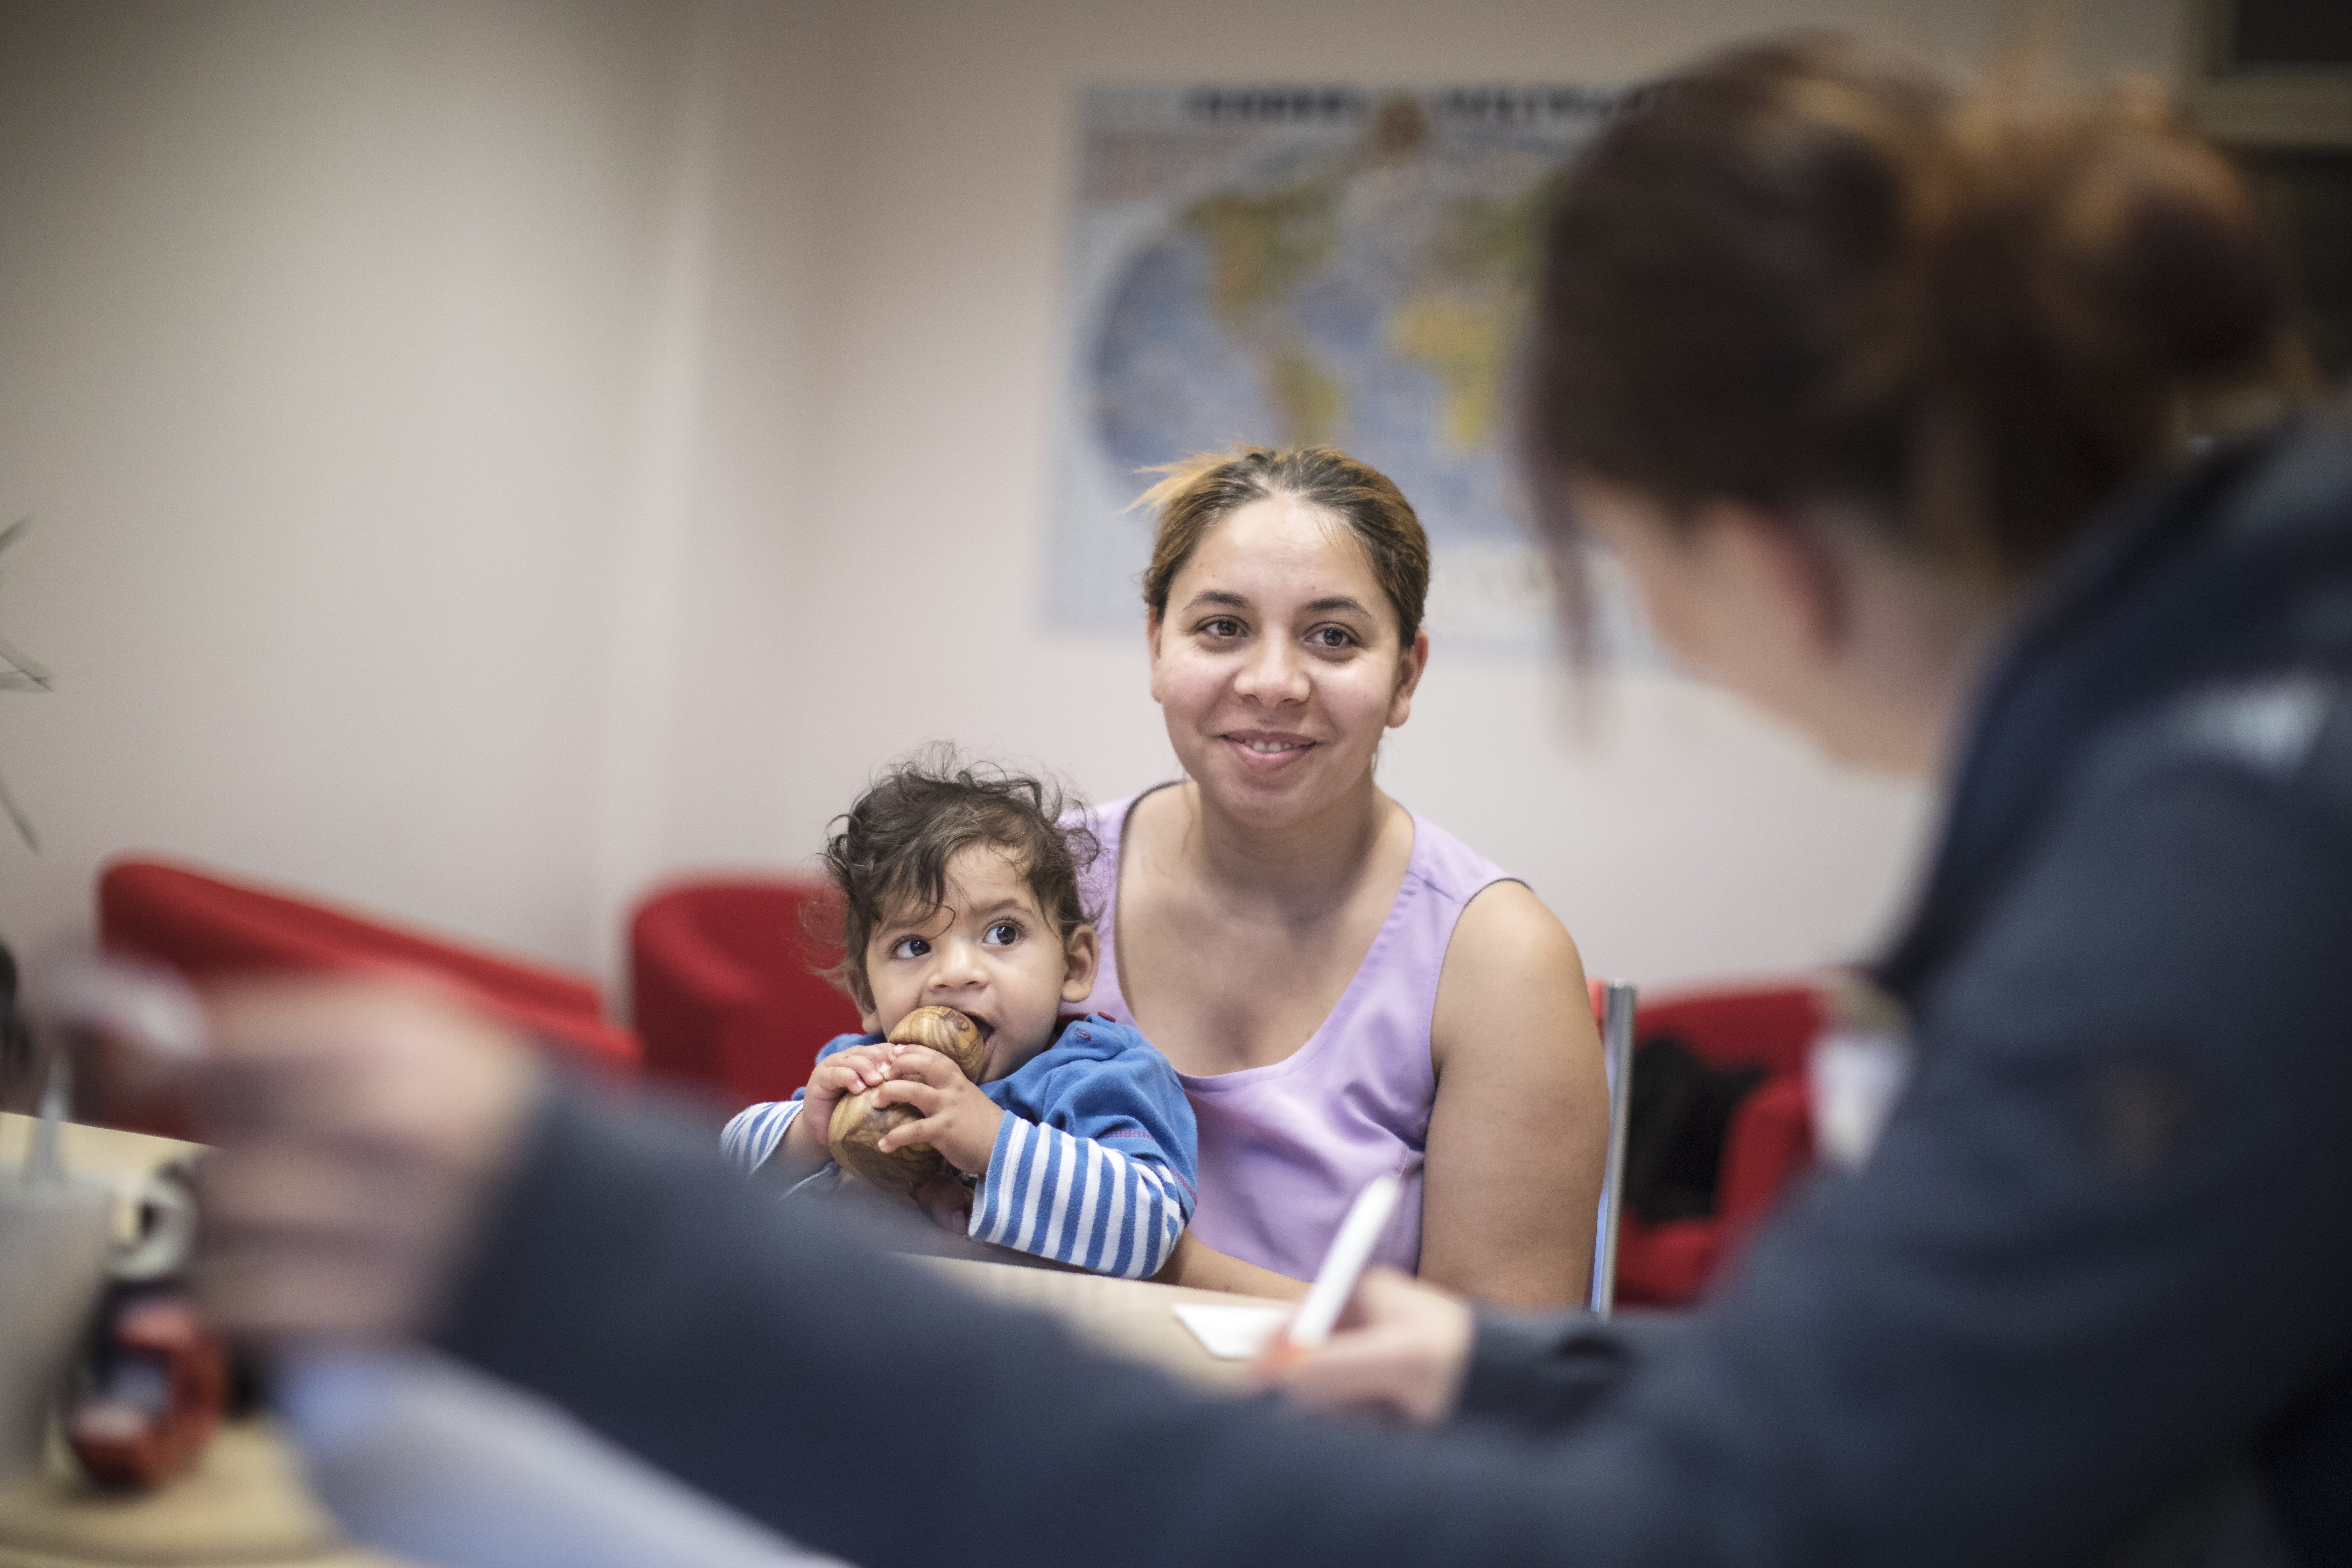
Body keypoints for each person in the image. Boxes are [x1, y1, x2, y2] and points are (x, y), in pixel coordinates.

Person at [188, 34, 2351, 1566]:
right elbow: (1853, 1400)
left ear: (1754, 549)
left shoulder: (2211, 872)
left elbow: (1715, 1528)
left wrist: (599, 1245)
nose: (1689, 654)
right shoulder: (2243, 723)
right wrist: (1524, 1379)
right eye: (1217, 625)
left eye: (1635, 584)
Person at [1086, 444, 1607, 1306]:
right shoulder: (1028, 885)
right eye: (1222, 626)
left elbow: (1490, 1371)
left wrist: (1130, 1251)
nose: (1273, 681)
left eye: (1334, 637)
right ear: (1155, 646)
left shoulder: (1499, 962)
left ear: (1405, 675)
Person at [718, 758, 1196, 1278]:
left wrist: (991, 1141)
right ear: (867, 995)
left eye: (1003, 934)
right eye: (915, 945)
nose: (957, 973)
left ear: (1074, 966)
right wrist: (805, 1136)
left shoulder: (1104, 1074)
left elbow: (1150, 1234)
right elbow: (721, 1186)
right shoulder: (866, 1070)